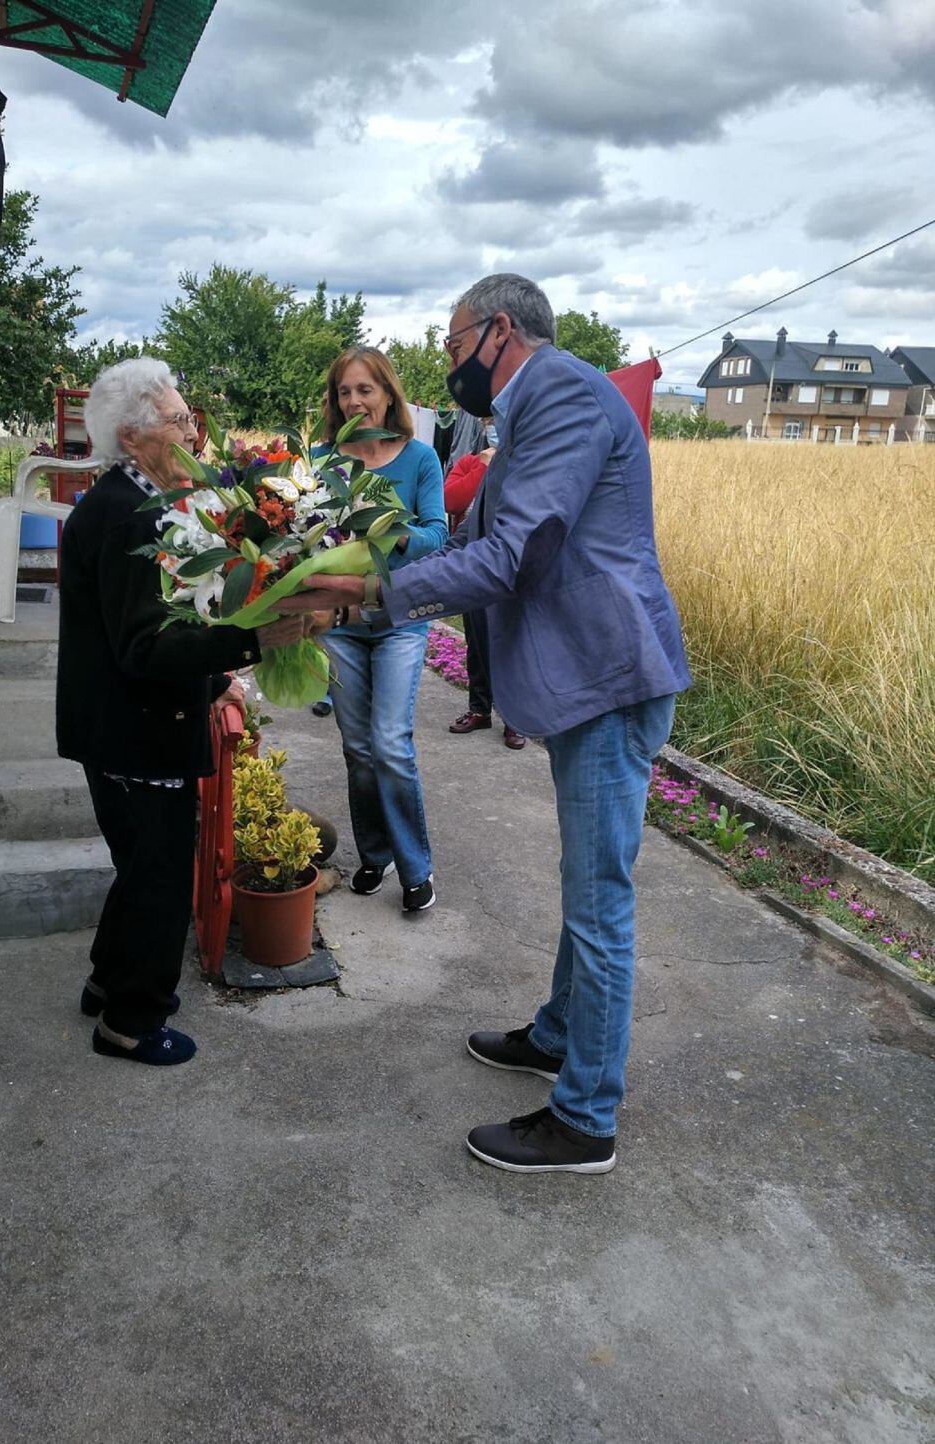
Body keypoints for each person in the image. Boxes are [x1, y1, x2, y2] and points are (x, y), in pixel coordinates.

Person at [277, 275, 691, 1172]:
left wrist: (377, 592)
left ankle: (585, 1117)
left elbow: (515, 553)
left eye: (455, 344)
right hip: (585, 673)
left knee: (598, 901)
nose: (448, 362)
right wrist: (349, 585)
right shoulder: (531, 408)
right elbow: (470, 541)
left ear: (500, 330)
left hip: (609, 673)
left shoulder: (566, 397)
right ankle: (555, 1035)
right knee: (584, 881)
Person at [56, 357, 303, 1066]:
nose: (194, 431)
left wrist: (211, 677)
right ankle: (131, 1021)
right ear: (133, 437)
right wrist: (251, 638)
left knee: (139, 864)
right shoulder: (130, 516)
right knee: (162, 876)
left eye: (190, 417)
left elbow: (139, 633)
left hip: (119, 722)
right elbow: (144, 648)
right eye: (177, 421)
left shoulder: (134, 498)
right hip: (135, 729)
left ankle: (108, 983)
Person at [318, 346, 448, 913]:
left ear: (389, 394)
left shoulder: (420, 459)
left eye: (365, 390)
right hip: (341, 622)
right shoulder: (323, 460)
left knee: (391, 744)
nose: (355, 401)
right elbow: (309, 536)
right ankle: (375, 855)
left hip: (398, 619)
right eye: (345, 392)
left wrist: (389, 531)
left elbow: (438, 535)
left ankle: (416, 868)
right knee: (358, 749)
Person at [443, 426, 526, 750]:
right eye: (488, 424)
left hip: (509, 565)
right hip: (472, 562)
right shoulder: (466, 462)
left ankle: (514, 719)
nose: (493, 429)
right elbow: (452, 500)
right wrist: (482, 466)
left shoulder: (522, 465)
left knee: (509, 642)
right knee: (476, 639)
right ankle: (479, 709)